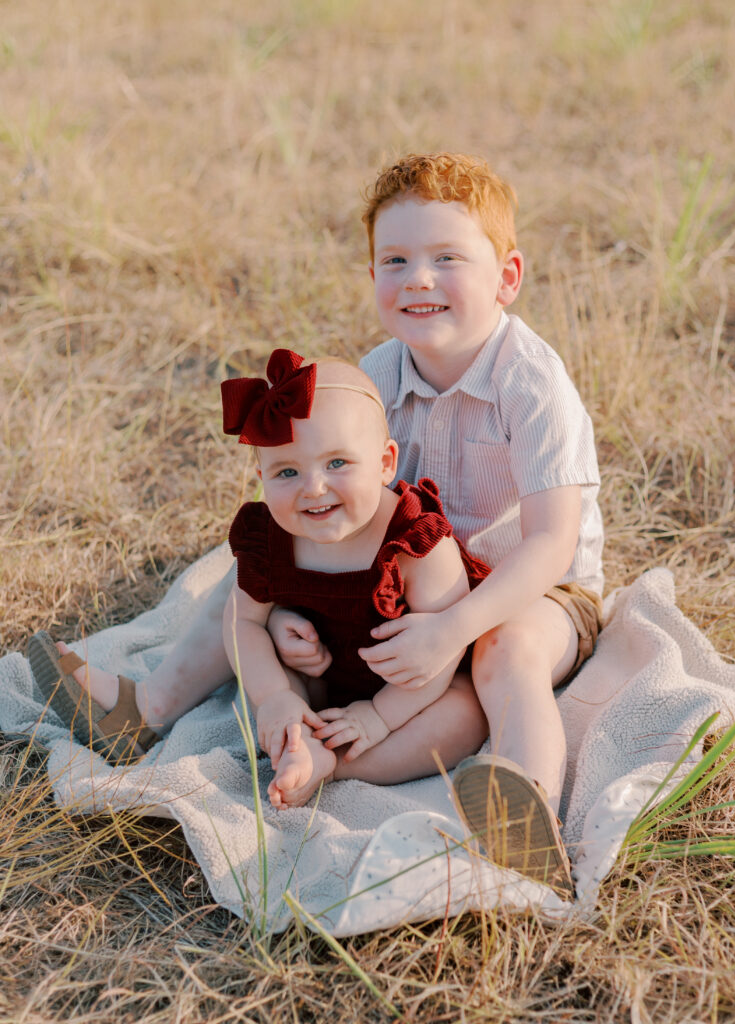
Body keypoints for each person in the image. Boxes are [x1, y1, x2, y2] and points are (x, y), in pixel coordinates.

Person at [28, 151, 603, 897]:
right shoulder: (376, 376)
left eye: (446, 258)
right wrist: (296, 604)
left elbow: (551, 544)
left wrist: (453, 628)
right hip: (401, 582)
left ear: (507, 276)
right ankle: (150, 705)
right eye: (394, 259)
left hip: (526, 592)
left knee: (502, 652)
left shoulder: (531, 384)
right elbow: (335, 504)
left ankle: (523, 806)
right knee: (252, 585)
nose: (418, 278)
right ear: (372, 279)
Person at [28, 350, 490, 811]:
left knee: (466, 715)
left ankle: (335, 764)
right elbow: (242, 623)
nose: (313, 488)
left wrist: (379, 716)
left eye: (337, 464)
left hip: (408, 695)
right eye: (287, 471)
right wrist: (274, 698)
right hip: (317, 678)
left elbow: (442, 653)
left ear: (386, 463)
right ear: (261, 476)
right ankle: (226, 723)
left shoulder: (417, 543)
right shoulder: (269, 537)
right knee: (262, 653)